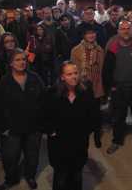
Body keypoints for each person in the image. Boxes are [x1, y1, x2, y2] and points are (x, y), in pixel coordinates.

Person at [0, 49, 45, 190]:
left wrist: (42, 124)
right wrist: (3, 128)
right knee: (10, 158)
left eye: (23, 59)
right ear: (11, 63)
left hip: (33, 128)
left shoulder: (35, 78)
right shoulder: (4, 82)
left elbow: (44, 101)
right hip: (12, 129)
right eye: (17, 60)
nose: (22, 62)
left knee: (32, 156)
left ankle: (30, 176)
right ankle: (11, 179)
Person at [44, 62, 99, 190]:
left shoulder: (85, 92)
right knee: (61, 178)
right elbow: (43, 116)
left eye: (75, 73)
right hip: (59, 145)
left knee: (76, 175)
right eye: (69, 74)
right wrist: (51, 131)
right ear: (62, 77)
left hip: (78, 143)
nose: (74, 76)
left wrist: (86, 131)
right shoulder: (52, 94)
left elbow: (93, 116)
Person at [103, 20, 132, 156]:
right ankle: (117, 141)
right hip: (118, 88)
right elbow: (106, 70)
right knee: (118, 117)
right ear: (118, 31)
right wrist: (111, 86)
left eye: (128, 28)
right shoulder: (112, 47)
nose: (125, 31)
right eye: (122, 28)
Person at [70, 25, 105, 148]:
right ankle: (82, 135)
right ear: (84, 35)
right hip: (81, 86)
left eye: (93, 33)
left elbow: (102, 70)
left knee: (96, 114)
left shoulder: (100, 50)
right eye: (89, 33)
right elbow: (73, 70)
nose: (91, 35)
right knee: (82, 113)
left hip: (95, 85)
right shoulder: (75, 50)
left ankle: (96, 136)